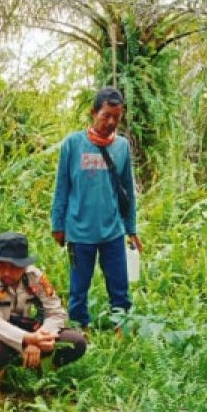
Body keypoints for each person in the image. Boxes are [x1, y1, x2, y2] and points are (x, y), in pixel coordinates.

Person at [50, 86, 144, 328]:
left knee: (119, 287)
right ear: (93, 113)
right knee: (78, 289)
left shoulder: (121, 147)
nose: (111, 122)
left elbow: (127, 192)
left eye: (117, 117)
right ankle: (80, 330)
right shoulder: (72, 144)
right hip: (80, 232)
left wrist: (131, 228)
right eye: (106, 116)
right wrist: (58, 224)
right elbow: (62, 187)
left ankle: (120, 327)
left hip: (112, 230)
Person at [0, 232, 87, 401]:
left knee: (75, 341)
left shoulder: (35, 277)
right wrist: (28, 340)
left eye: (14, 266)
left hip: (24, 336)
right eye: (1, 265)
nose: (7, 272)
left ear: (25, 265)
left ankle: (42, 373)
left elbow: (56, 312)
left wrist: (42, 338)